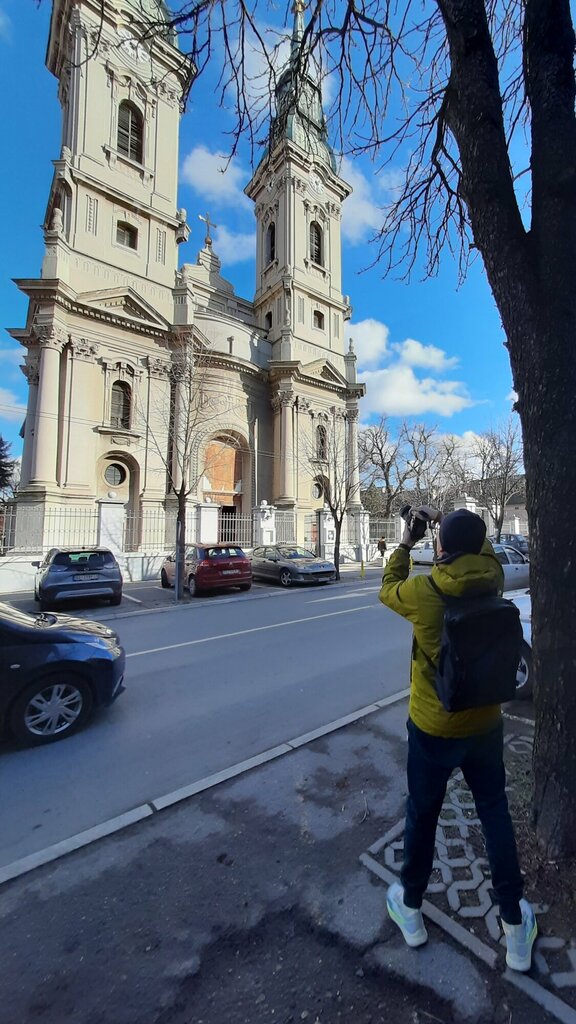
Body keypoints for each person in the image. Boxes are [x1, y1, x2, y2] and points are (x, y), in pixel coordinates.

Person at [379, 506, 537, 972]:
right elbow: (481, 552)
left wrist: (410, 540)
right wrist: (456, 527)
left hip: (432, 727)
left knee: (422, 814)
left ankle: (410, 908)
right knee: (495, 816)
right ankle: (514, 927)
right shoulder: (494, 578)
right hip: (485, 723)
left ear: (441, 548)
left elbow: (387, 587)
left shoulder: (424, 593)